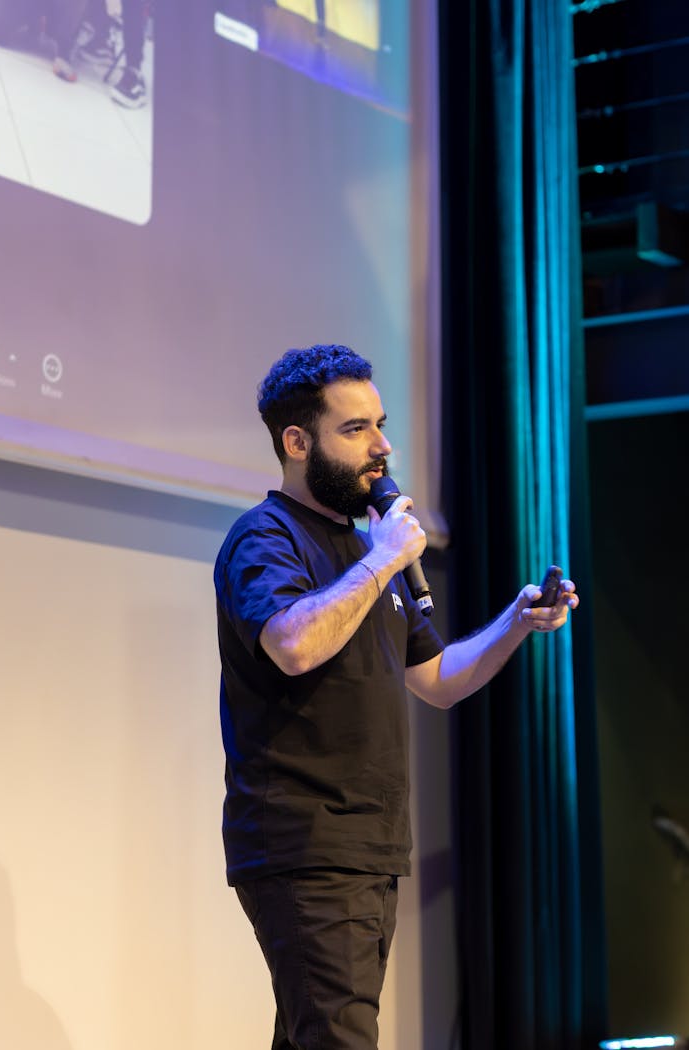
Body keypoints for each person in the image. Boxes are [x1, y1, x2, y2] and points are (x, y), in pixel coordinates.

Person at [213, 343, 579, 1050]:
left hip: (368, 845)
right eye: (356, 429)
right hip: (307, 840)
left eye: (379, 425)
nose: (382, 447)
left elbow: (437, 679)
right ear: (297, 442)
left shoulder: (365, 554)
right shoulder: (265, 538)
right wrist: (385, 559)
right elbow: (292, 644)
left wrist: (516, 621)